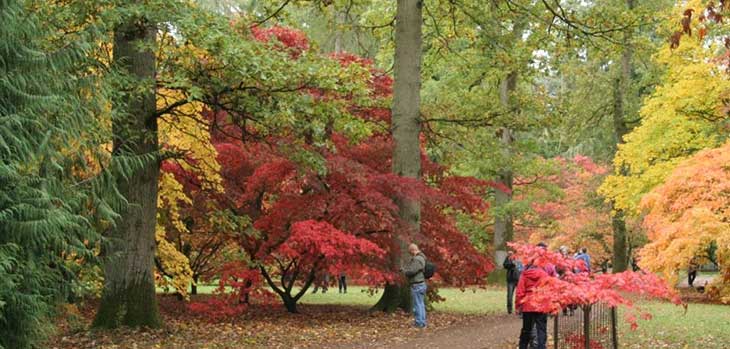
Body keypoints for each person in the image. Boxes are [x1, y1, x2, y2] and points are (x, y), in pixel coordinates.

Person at [516, 257, 549, 349]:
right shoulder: (545, 275)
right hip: (541, 304)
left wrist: (518, 306)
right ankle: (541, 347)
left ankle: (523, 346)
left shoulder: (524, 275)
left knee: (526, 329)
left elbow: (520, 292)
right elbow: (548, 291)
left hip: (528, 305)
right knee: (541, 329)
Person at [402, 243, 427, 328]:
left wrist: (405, 271)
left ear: (413, 250)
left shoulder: (417, 259)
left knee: (417, 305)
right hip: (421, 284)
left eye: (410, 252)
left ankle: (419, 323)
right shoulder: (422, 258)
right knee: (421, 304)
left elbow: (412, 271)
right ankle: (422, 322)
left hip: (417, 284)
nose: (410, 254)